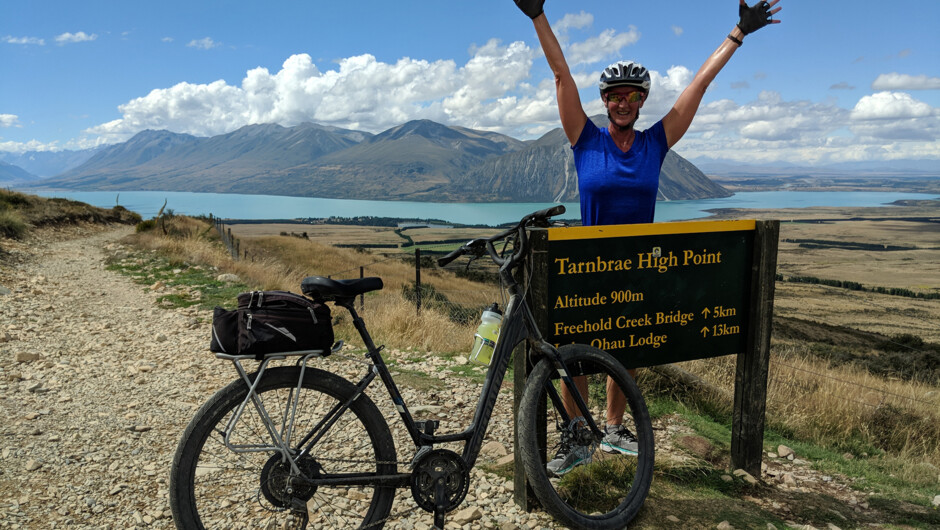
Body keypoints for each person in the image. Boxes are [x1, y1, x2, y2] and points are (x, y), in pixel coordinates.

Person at [512, 0, 782, 476]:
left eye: (632, 96)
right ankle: (578, 437)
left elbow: (697, 87)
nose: (623, 102)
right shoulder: (585, 140)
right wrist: (538, 16)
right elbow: (561, 76)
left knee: (628, 348)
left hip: (635, 265)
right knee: (575, 358)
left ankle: (613, 429)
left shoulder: (655, 143)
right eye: (615, 95)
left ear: (642, 102)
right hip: (586, 264)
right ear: (604, 101)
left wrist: (737, 33)